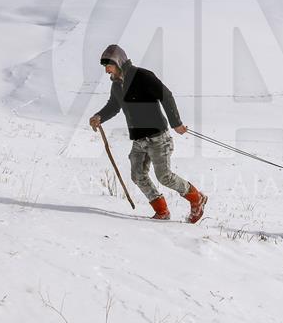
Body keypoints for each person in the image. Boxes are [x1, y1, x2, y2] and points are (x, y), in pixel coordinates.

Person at [89, 44, 207, 223]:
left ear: (119, 62)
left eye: (109, 65)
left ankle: (197, 198)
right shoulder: (116, 86)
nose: (106, 70)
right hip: (138, 140)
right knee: (137, 175)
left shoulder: (142, 76)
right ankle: (162, 211)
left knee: (164, 176)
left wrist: (176, 123)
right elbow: (114, 106)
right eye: (105, 66)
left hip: (158, 138)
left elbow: (165, 95)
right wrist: (99, 116)